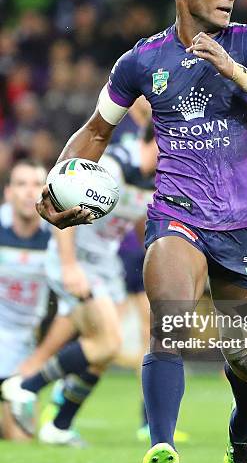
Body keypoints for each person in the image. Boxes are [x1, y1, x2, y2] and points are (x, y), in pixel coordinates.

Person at [11, 0, 247, 463]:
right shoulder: (142, 61)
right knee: (168, 322)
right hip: (178, 213)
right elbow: (96, 132)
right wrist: (54, 186)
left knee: (245, 357)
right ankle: (162, 447)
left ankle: (243, 430)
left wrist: (233, 71)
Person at [2, 139, 157, 444]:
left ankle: (59, 424)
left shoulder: (158, 177)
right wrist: (70, 265)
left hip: (106, 264)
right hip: (79, 261)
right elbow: (67, 201)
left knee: (99, 354)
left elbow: (139, 218)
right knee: (108, 342)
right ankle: (26, 387)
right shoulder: (113, 166)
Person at [0, 160, 50, 440]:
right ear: (8, 192)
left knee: (21, 440)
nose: (29, 192)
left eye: (36, 185)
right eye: (21, 184)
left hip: (24, 353)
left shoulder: (57, 236)